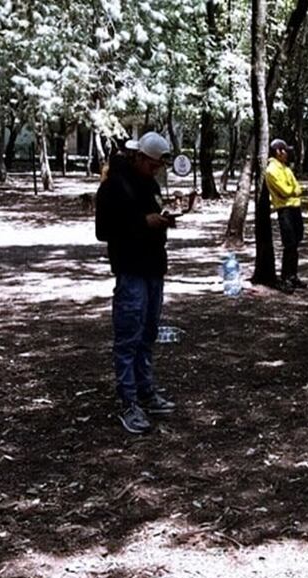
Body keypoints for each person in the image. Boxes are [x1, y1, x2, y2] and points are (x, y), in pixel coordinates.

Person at [95, 131, 177, 434]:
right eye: (153, 164)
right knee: (129, 335)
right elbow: (103, 230)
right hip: (131, 267)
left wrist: (166, 218)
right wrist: (143, 223)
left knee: (148, 334)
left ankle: (146, 391)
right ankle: (128, 401)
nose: (156, 170)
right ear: (140, 157)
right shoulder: (114, 186)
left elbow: (154, 213)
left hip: (154, 266)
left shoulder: (150, 183)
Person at [264, 138, 306, 292]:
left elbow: (297, 188)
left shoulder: (286, 169)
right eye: (285, 151)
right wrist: (292, 191)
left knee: (296, 242)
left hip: (295, 208)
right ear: (278, 152)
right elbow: (285, 191)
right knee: (289, 244)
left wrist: (292, 191)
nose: (287, 154)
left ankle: (293, 275)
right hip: (284, 210)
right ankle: (285, 277)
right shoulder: (271, 170)